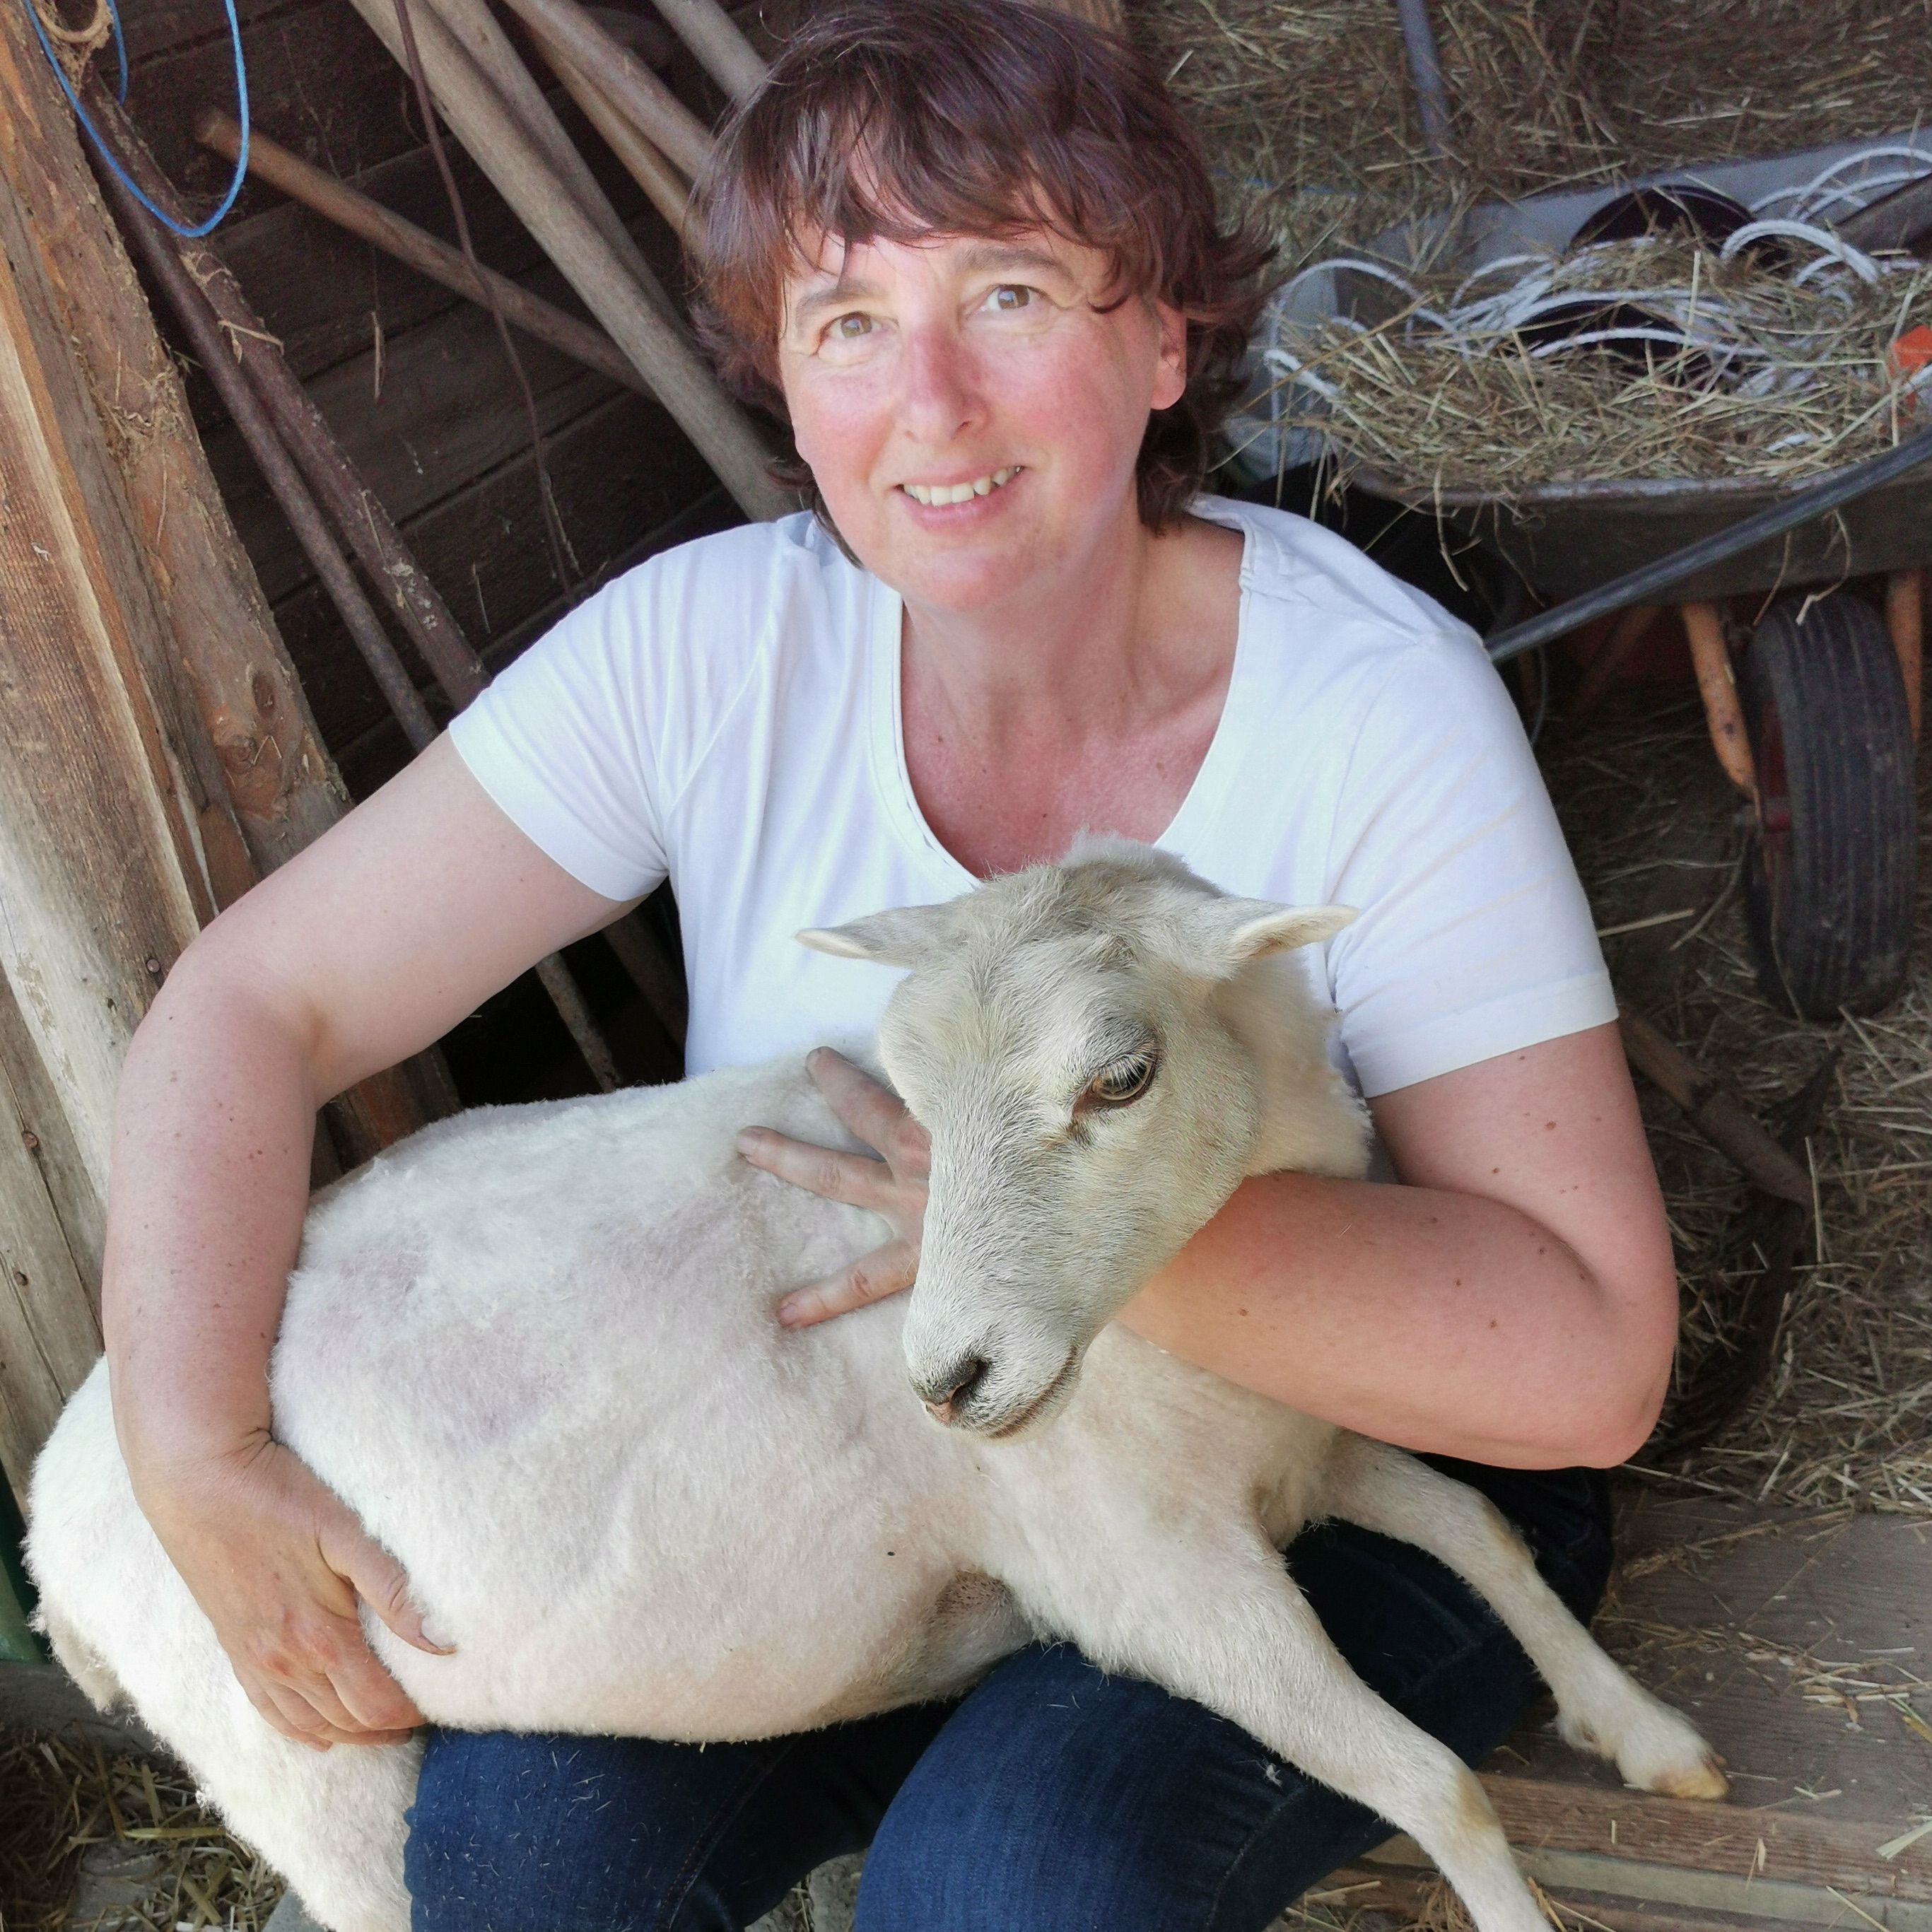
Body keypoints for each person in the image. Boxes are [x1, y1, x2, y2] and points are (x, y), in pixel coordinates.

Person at [101, 4, 1680, 1926]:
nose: (930, 401)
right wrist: (192, 1446)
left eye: (1009, 295)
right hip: (900, 1474)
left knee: (1007, 1882)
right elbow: (252, 1005)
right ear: (785, 385)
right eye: (847, 321)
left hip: (1330, 1461)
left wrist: (1022, 1223)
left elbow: (1588, 1366)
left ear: (1163, 343)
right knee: (528, 1872)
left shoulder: (1373, 709)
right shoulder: (705, 656)